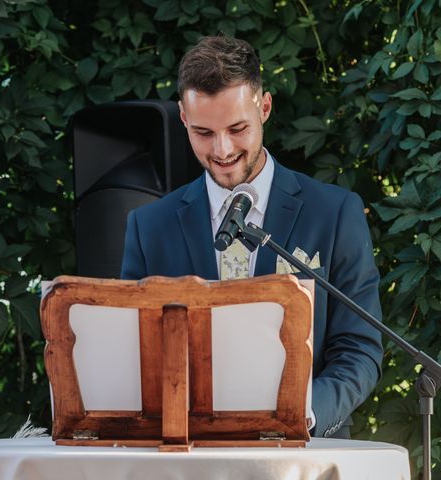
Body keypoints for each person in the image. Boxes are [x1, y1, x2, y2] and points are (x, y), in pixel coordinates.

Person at [120, 36, 383, 438]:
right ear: (183, 119)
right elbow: (136, 356)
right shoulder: (148, 226)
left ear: (264, 107)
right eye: (204, 133)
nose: (222, 150)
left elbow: (359, 349)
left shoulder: (334, 212)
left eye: (237, 128)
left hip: (305, 455)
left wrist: (303, 414)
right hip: (185, 456)